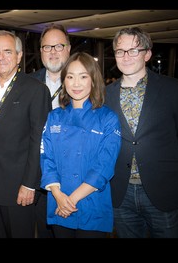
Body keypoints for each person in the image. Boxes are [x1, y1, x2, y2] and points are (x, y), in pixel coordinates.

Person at [105, 27, 178, 238]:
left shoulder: (174, 89)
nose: (126, 56)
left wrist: (169, 170)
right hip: (120, 194)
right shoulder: (104, 95)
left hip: (163, 191)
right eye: (120, 51)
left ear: (147, 54)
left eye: (133, 50)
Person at [40, 52, 121, 238]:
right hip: (58, 202)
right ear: (64, 81)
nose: (76, 83)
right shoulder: (54, 117)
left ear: (93, 80)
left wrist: (70, 200)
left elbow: (104, 166)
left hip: (92, 204)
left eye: (83, 76)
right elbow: (46, 157)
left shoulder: (107, 119)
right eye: (70, 77)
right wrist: (59, 196)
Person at [0, 30, 51, 238]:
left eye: (7, 51)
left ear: (19, 56)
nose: (1, 57)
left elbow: (39, 140)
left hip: (19, 187)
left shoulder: (36, 89)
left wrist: (30, 184)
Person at [29, 23, 71, 238]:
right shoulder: (27, 84)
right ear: (40, 51)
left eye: (58, 46)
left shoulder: (83, 83)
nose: (53, 52)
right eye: (47, 47)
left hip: (72, 179)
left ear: (69, 49)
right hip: (36, 178)